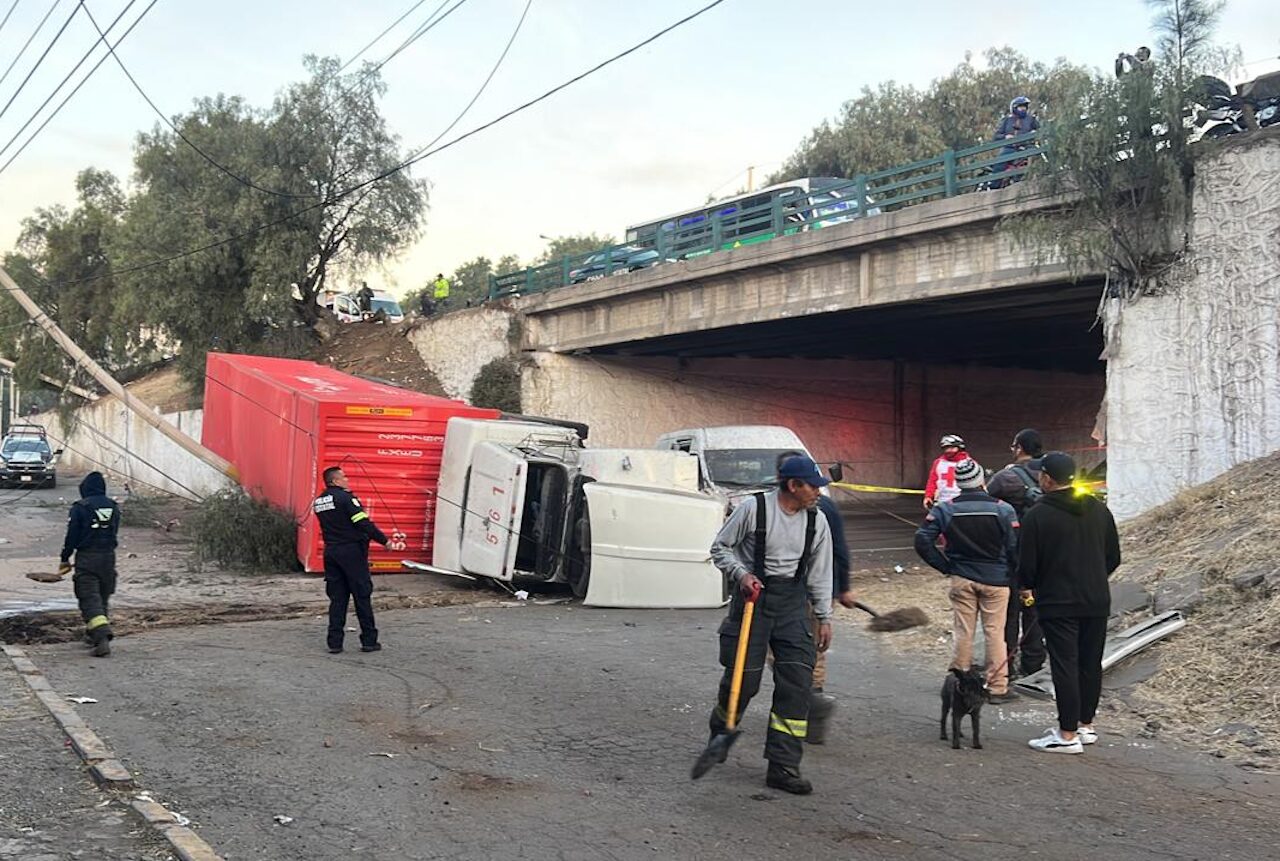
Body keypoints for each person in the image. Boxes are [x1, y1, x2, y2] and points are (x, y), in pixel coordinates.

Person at [706, 455, 834, 795]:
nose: (818, 493)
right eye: (813, 487)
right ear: (793, 486)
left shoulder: (817, 521)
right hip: (753, 601)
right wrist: (741, 574)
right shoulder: (754, 510)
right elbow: (720, 548)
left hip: (793, 605)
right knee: (743, 681)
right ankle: (722, 729)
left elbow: (821, 572)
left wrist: (823, 616)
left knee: (797, 684)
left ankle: (783, 766)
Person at [1018, 452, 1121, 754]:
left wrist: (1027, 589)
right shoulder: (1099, 510)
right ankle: (1085, 725)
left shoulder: (1037, 514)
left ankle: (1066, 735)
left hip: (1058, 601)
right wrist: (1093, 577)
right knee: (1090, 662)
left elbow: (1027, 564)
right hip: (1096, 599)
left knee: (1065, 664)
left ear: (1047, 479)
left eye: (1041, 474)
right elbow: (1113, 557)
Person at [914, 458, 1021, 703]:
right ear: (982, 480)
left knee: (964, 631)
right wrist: (1014, 574)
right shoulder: (1003, 509)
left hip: (962, 576)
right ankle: (997, 688)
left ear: (960, 483)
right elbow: (1015, 547)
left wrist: (945, 567)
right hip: (996, 579)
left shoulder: (945, 509)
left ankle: (960, 684)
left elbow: (922, 540)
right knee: (995, 633)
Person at [774, 452, 856, 745]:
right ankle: (813, 702)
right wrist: (843, 586)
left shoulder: (783, 509)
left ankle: (808, 702)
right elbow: (842, 550)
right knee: (814, 649)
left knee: (779, 652)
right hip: (822, 587)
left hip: (796, 591)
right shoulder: (829, 507)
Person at [987, 428, 1048, 677]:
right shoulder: (1050, 473)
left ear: (1019, 448)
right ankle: (1033, 664)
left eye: (1014, 446)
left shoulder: (1005, 478)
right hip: (1044, 552)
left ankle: (1006, 667)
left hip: (1013, 554)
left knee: (1009, 612)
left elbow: (986, 500)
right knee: (1035, 610)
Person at [313, 466, 390, 654]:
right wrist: (384, 540)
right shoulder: (346, 498)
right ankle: (369, 641)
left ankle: (335, 643)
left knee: (337, 599)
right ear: (335, 481)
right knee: (362, 596)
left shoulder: (319, 502)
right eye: (344, 477)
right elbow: (362, 522)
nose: (347, 480)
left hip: (331, 553)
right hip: (351, 553)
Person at [60, 471, 121, 658]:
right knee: (102, 597)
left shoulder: (80, 507)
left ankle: (102, 637)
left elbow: (72, 536)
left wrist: (65, 556)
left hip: (87, 558)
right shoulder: (114, 506)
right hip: (108, 557)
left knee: (89, 598)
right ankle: (91, 634)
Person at [991, 96, 1041, 185]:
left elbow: (1040, 130)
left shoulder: (1031, 119)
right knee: (999, 163)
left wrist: (1034, 133)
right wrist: (1005, 137)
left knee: (1038, 156)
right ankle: (994, 186)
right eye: (1021, 107)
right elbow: (996, 136)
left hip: (1027, 147)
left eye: (1025, 107)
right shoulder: (1007, 120)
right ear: (1014, 108)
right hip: (1010, 148)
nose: (1023, 109)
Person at [923, 434, 968, 511]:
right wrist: (928, 496)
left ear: (960, 447)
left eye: (952, 448)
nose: (948, 451)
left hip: (962, 503)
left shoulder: (969, 463)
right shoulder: (938, 462)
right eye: (946, 448)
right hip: (943, 503)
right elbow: (932, 481)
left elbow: (976, 483)